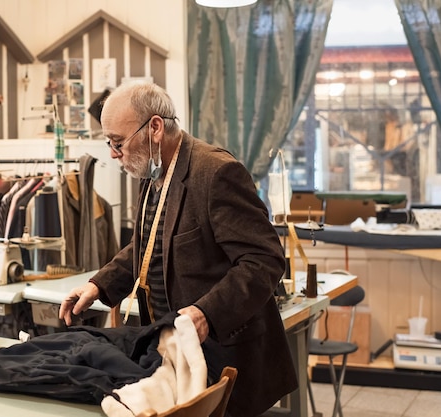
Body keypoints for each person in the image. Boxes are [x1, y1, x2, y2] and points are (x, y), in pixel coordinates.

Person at [59, 82, 297, 417]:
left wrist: (207, 313)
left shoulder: (215, 173)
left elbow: (264, 260)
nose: (114, 154)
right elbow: (147, 244)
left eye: (117, 142)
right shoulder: (153, 173)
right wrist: (98, 285)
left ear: (154, 128)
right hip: (175, 353)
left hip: (224, 356)